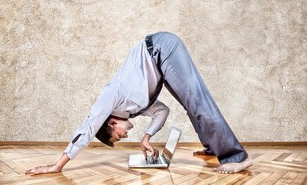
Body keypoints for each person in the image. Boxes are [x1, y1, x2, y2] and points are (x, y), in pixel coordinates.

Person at [25, 32, 252, 176]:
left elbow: (87, 128)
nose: (124, 137)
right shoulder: (134, 109)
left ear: (112, 123)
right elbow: (162, 111)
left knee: (198, 101)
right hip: (161, 61)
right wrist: (147, 137)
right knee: (190, 104)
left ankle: (236, 157)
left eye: (118, 136)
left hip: (161, 49)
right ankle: (212, 146)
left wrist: (58, 165)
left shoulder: (111, 96)